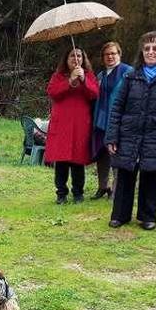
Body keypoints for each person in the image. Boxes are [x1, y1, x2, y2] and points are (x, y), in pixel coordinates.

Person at [105, 31, 156, 230]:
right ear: (141, 52)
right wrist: (112, 135)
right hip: (128, 134)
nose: (151, 52)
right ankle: (120, 216)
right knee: (125, 173)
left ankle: (147, 217)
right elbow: (117, 107)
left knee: (151, 175)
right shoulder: (130, 76)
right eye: (147, 48)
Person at [44, 47, 99, 204]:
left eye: (79, 56)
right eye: (72, 56)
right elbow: (52, 92)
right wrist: (70, 81)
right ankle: (61, 193)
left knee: (78, 161)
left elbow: (95, 94)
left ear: (84, 59)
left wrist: (83, 80)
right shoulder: (58, 76)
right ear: (66, 60)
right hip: (62, 125)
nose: (76, 59)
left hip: (80, 126)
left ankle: (78, 193)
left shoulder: (88, 76)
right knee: (61, 161)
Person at [92, 42, 134, 199]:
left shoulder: (128, 72)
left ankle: (116, 191)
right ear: (103, 58)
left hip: (119, 121)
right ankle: (103, 186)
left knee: (116, 154)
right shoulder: (101, 76)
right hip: (100, 121)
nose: (110, 56)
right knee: (102, 154)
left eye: (113, 53)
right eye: (107, 54)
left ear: (119, 55)